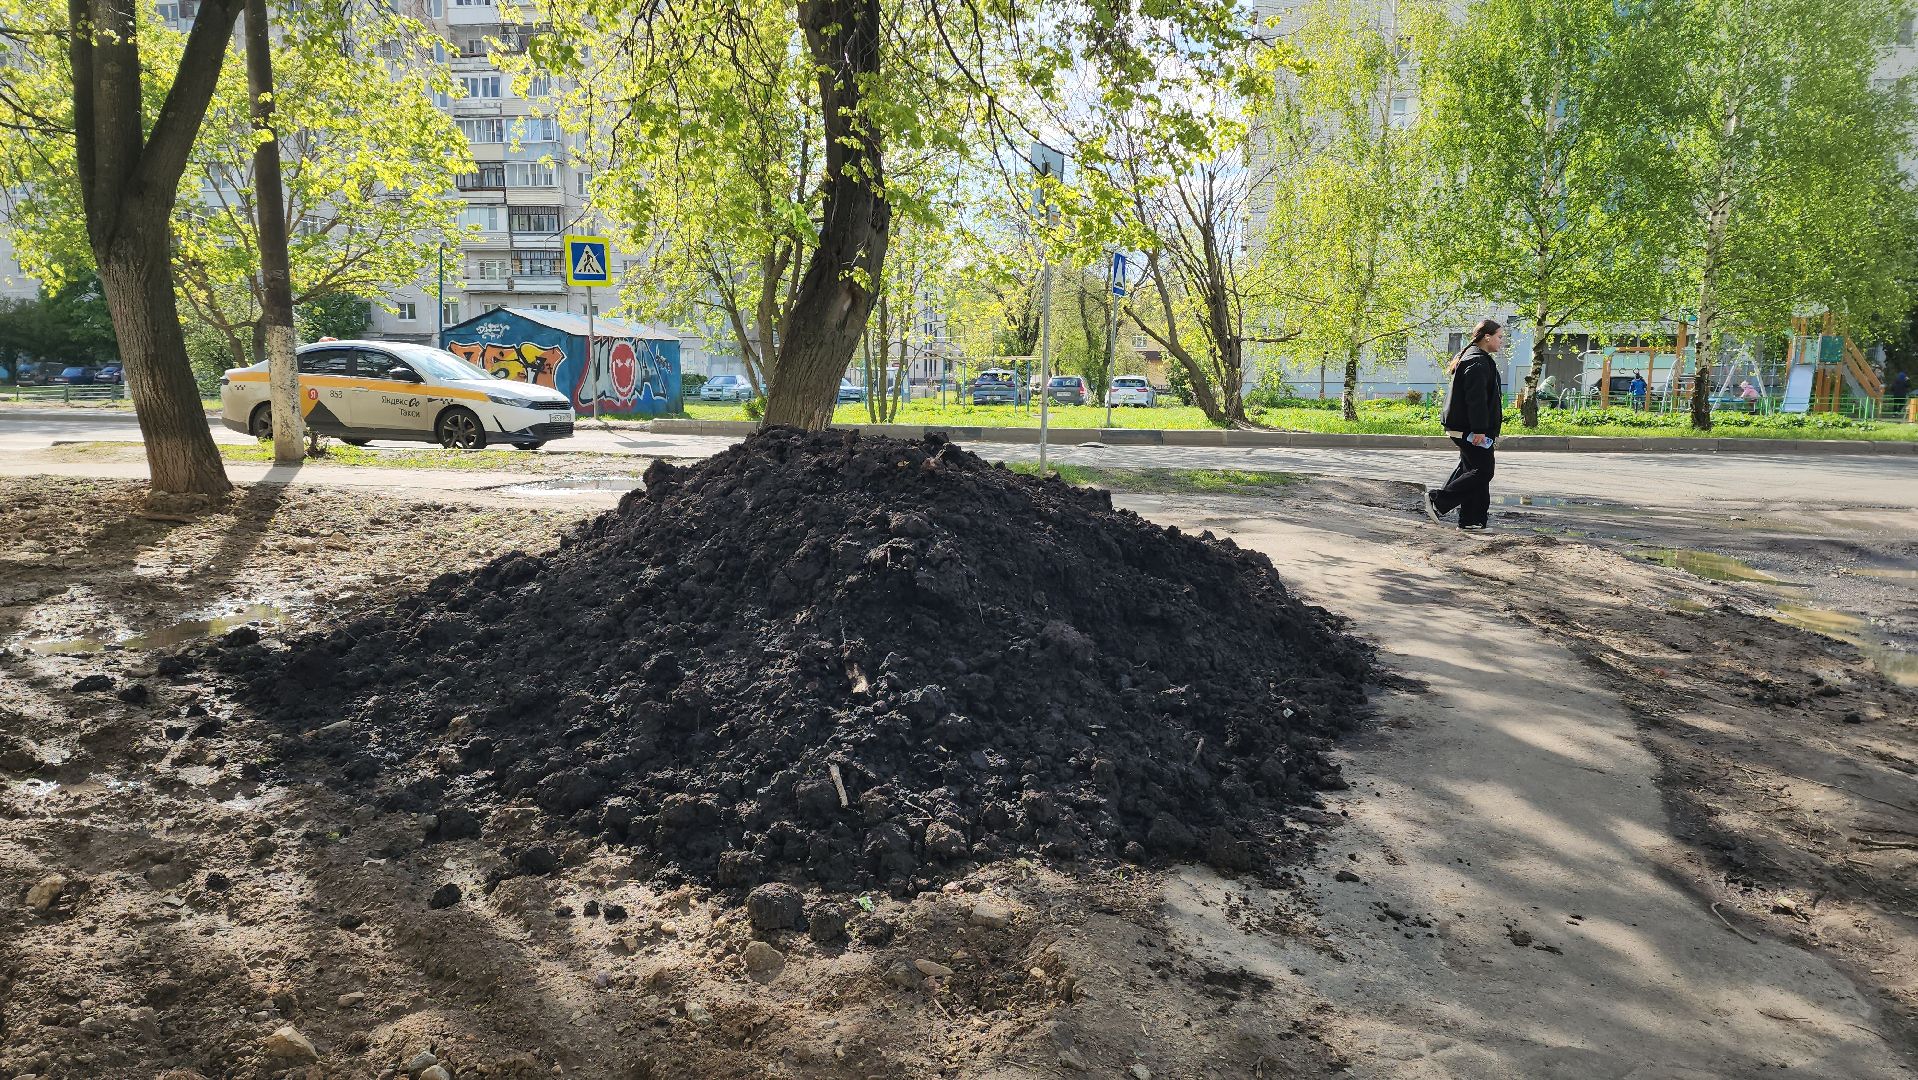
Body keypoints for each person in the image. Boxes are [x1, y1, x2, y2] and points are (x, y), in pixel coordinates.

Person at [1423, 319, 1505, 532]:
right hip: (1470, 429)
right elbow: (1475, 399)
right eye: (1499, 337)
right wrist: (1479, 429)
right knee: (1483, 470)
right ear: (1487, 337)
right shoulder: (1476, 361)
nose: (1501, 342)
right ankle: (1437, 500)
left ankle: (1471, 519)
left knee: (1471, 469)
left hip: (1472, 428)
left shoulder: (1477, 358)